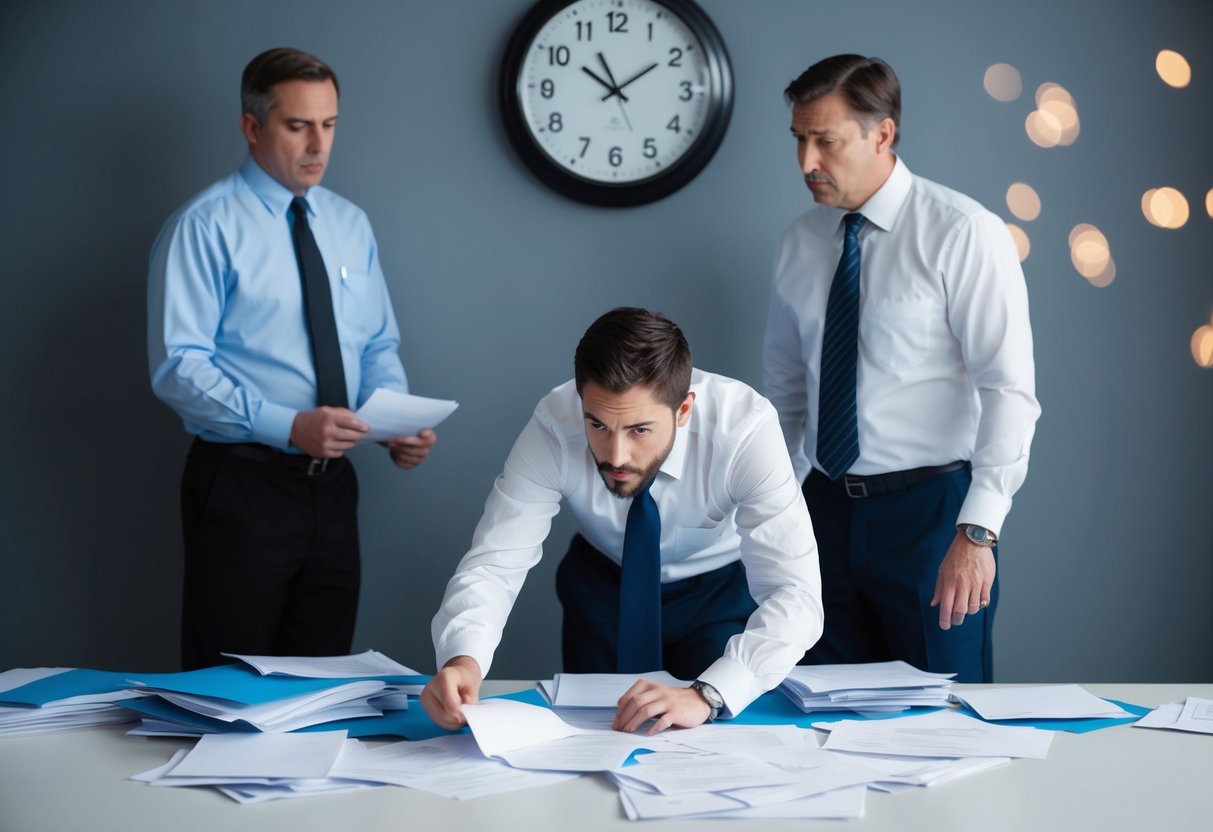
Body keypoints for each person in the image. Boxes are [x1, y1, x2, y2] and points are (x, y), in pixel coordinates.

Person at [148, 47, 436, 670]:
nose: (318, 144)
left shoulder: (349, 224)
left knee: (320, 680)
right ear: (252, 127)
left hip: (333, 493)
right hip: (243, 484)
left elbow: (375, 343)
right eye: (297, 125)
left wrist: (393, 422)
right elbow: (179, 365)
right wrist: (288, 425)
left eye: (329, 124)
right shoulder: (203, 226)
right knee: (227, 686)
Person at [763, 54, 1041, 683]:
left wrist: (977, 535)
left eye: (826, 141)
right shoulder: (798, 243)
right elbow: (784, 397)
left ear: (881, 132)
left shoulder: (963, 232)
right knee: (815, 710)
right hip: (819, 513)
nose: (807, 161)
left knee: (941, 723)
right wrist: (771, 515)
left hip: (931, 517)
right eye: (799, 140)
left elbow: (1009, 392)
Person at [422, 308, 822, 734]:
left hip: (715, 597)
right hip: (602, 590)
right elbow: (495, 560)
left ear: (683, 409)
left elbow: (795, 592)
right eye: (597, 424)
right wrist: (463, 657)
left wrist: (708, 693)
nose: (615, 455)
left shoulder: (745, 429)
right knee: (596, 740)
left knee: (703, 740)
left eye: (639, 430)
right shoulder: (554, 425)